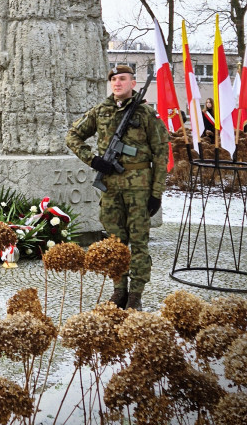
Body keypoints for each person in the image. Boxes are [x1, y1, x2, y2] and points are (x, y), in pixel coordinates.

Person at [66, 65, 169, 310]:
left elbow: (161, 154)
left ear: (133, 83)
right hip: (111, 190)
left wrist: (156, 194)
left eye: (122, 79)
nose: (117, 83)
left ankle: (135, 294)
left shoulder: (146, 113)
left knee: (139, 243)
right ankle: (119, 290)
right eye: (113, 79)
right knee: (115, 242)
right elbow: (72, 136)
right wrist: (93, 159)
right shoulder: (100, 111)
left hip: (139, 189)